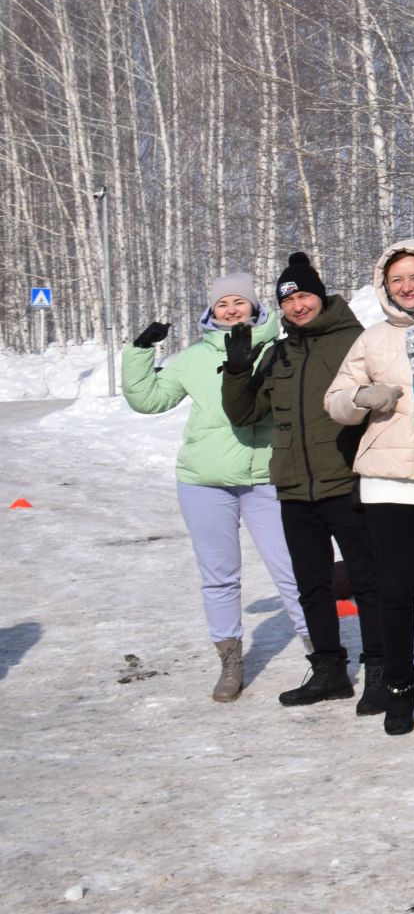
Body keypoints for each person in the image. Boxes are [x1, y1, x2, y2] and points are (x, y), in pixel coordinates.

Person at [122, 273, 307, 702]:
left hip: (266, 477)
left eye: (239, 302)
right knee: (219, 577)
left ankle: (320, 653)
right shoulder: (193, 359)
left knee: (293, 570)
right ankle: (230, 660)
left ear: (256, 308)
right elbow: (148, 400)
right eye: (222, 304)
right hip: (204, 482)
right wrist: (139, 351)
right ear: (211, 311)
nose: (231, 310)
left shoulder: (277, 349)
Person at [220, 252, 384, 710]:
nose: (297, 307)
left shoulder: (356, 341)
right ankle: (329, 669)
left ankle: (380, 669)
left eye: (305, 296)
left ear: (320, 295)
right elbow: (246, 412)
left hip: (346, 482)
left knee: (367, 581)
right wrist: (236, 372)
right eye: (288, 301)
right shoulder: (280, 352)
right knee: (310, 584)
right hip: (294, 487)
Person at [324, 240, 414, 737]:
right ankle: (400, 691)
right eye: (396, 280)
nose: (406, 287)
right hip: (385, 481)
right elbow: (335, 399)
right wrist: (363, 396)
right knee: (395, 593)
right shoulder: (373, 338)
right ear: (386, 286)